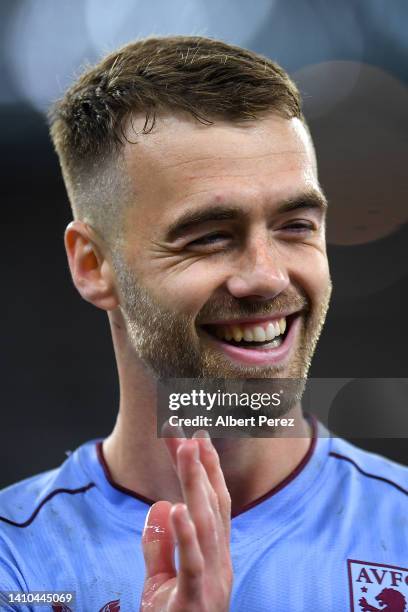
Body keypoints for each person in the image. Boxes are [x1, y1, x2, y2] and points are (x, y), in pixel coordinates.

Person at [0, 36, 407, 612]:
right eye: (210, 236)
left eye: (295, 225)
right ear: (94, 265)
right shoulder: (16, 565)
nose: (265, 278)